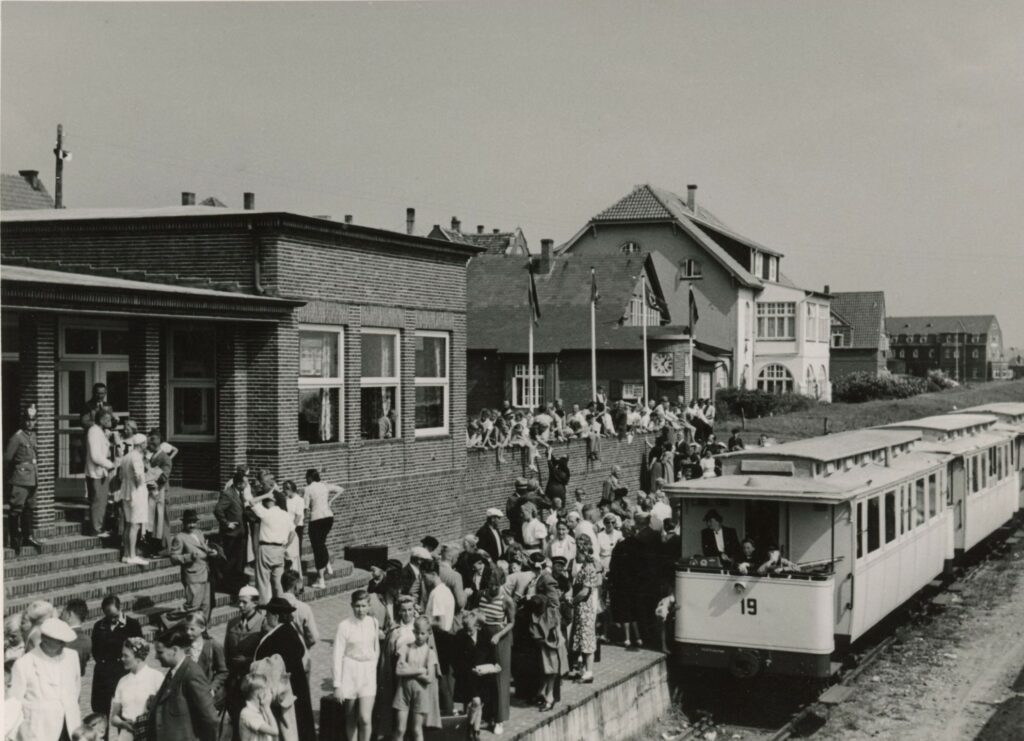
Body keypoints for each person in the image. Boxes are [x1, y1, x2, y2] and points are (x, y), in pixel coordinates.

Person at [8, 617, 82, 741]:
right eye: (59, 642)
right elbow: (13, 705)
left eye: (64, 642)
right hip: (40, 732)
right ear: (45, 639)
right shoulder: (24, 664)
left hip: (70, 729)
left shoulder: (71, 657)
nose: (63, 645)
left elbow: (76, 690)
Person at [253, 597, 314, 741]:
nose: (266, 617)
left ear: (275, 616)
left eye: (268, 614)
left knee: (287, 728)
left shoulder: (276, 638)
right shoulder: (289, 631)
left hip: (282, 693)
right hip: (296, 687)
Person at [148, 623, 220, 741]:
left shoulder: (192, 674)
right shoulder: (174, 671)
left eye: (160, 652)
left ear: (175, 650)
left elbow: (210, 719)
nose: (156, 657)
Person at [333, 590, 381, 741]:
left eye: (364, 606)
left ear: (369, 606)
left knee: (365, 718)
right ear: (352, 606)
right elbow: (337, 655)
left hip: (368, 672)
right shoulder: (344, 626)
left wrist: (373, 666)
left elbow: (376, 647)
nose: (360, 610)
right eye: (357, 606)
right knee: (351, 716)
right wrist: (337, 685)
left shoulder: (373, 622)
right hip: (350, 671)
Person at [223, 586, 265, 740]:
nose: (240, 605)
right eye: (239, 602)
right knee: (235, 719)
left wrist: (248, 661)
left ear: (255, 603)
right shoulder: (232, 623)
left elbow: (264, 655)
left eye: (244, 602)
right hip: (234, 681)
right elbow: (227, 651)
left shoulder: (262, 624)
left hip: (253, 682)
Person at [452, 611, 500, 741]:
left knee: (479, 704)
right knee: (476, 702)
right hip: (468, 677)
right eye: (466, 629)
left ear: (478, 626)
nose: (468, 633)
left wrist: (494, 665)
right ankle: (471, 728)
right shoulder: (460, 637)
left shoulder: (485, 636)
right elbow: (457, 661)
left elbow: (491, 655)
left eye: (470, 630)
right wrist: (470, 670)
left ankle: (475, 730)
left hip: (483, 676)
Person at [91, 595, 143, 717]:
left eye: (114, 616)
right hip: (103, 676)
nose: (112, 620)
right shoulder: (99, 626)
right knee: (100, 713)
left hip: (123, 673)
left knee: (124, 713)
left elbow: (140, 651)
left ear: (120, 608)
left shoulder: (132, 625)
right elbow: (95, 650)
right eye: (108, 616)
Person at [392, 616, 441, 741]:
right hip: (403, 692)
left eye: (423, 633)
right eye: (417, 633)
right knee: (400, 729)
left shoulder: (430, 653)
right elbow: (398, 670)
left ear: (428, 634)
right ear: (413, 632)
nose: (419, 636)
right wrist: (419, 670)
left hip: (421, 694)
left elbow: (429, 678)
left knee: (417, 730)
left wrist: (407, 670)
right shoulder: (406, 648)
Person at [109, 637, 165, 741]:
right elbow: (113, 718)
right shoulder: (122, 681)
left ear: (138, 657)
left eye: (126, 656)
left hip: (150, 735)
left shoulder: (156, 677)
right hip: (127, 736)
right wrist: (123, 723)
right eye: (122, 655)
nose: (122, 658)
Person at [4, 408, 42, 554]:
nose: (30, 423)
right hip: (20, 478)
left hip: (33, 477)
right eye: (27, 420)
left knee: (29, 508)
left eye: (33, 420)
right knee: (16, 509)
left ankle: (27, 536)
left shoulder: (33, 436)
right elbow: (8, 458)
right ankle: (14, 539)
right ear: (22, 420)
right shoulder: (17, 437)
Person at [422, 559, 457, 715]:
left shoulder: (437, 593)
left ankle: (447, 710)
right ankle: (447, 708)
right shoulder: (445, 590)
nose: (424, 579)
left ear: (433, 574)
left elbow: (440, 622)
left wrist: (424, 619)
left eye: (425, 576)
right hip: (446, 637)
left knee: (441, 675)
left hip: (440, 638)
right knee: (445, 675)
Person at [248, 490, 294, 604]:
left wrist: (266, 494)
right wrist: (286, 546)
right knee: (278, 583)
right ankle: (279, 607)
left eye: (268, 499)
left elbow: (251, 501)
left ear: (273, 500)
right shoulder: (286, 515)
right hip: (279, 550)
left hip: (266, 549)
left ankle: (263, 607)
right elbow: (293, 533)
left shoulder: (266, 513)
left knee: (262, 581)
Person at [169, 510, 214, 621]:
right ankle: (167, 619)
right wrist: (189, 557)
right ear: (184, 523)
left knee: (205, 605)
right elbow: (173, 558)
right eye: (189, 522)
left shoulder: (199, 533)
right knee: (192, 606)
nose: (192, 525)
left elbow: (204, 547)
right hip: (192, 575)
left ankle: (203, 630)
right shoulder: (179, 537)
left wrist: (211, 551)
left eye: (194, 522)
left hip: (205, 572)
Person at [569, 534, 602, 683]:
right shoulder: (585, 566)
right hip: (581, 608)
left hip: (585, 607)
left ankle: (589, 672)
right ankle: (583, 669)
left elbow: (585, 591)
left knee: (587, 637)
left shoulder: (588, 568)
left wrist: (572, 601)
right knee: (581, 636)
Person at [303, 469, 343, 589]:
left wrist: (302, 520)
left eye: (306, 477)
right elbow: (341, 489)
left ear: (310, 477)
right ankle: (327, 564)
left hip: (316, 519)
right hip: (329, 518)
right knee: (321, 543)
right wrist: (330, 501)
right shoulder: (325, 485)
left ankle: (321, 580)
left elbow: (306, 507)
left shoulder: (308, 488)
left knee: (317, 548)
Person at [180, 613, 228, 713]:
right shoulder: (183, 647)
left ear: (202, 628)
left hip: (206, 696)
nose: (188, 632)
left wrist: (213, 688)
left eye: (192, 629)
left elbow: (223, 672)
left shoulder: (213, 646)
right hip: (187, 695)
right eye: (186, 629)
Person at [215, 468, 250, 597]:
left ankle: (236, 586)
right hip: (232, 534)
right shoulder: (228, 494)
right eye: (245, 482)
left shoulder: (239, 494)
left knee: (238, 562)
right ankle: (228, 586)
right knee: (231, 561)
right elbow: (218, 510)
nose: (246, 485)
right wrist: (226, 523)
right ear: (239, 483)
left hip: (240, 534)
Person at [609, 522, 644, 648]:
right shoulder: (640, 545)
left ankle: (627, 639)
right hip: (637, 584)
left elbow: (613, 566)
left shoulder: (620, 546)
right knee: (635, 610)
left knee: (625, 610)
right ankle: (639, 638)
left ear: (625, 531)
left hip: (622, 583)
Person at [144, 429, 177, 556]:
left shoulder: (165, 458)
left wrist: (150, 471)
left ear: (158, 440)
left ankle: (165, 547)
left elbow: (164, 477)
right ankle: (155, 546)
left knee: (162, 520)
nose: (149, 443)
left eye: (152, 439)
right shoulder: (152, 456)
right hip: (152, 493)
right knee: (153, 520)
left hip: (161, 493)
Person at [85, 408, 117, 538]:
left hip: (101, 471)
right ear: (101, 420)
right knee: (98, 500)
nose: (110, 422)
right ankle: (96, 529)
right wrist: (110, 465)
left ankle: (99, 526)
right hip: (96, 472)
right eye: (108, 419)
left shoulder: (100, 431)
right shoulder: (93, 432)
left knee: (102, 500)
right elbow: (95, 456)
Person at [280, 570, 319, 650]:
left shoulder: (273, 604)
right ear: (296, 586)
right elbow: (314, 637)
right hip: (298, 652)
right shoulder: (304, 608)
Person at [237, 673, 279, 741]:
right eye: (266, 689)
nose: (270, 692)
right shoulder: (247, 713)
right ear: (260, 694)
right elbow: (274, 731)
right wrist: (267, 708)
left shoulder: (261, 710)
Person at [60, 599, 92, 676]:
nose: (60, 616)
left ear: (69, 615)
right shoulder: (87, 640)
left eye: (62, 613)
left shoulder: (62, 638)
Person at [281, 480, 305, 575]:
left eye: (285, 489)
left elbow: (298, 516)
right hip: (287, 528)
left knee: (295, 553)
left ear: (291, 489)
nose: (284, 491)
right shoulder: (286, 499)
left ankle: (296, 575)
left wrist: (292, 530)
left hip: (296, 528)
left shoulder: (299, 500)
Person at [437, 545, 468, 613]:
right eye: (456, 557)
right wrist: (466, 594)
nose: (457, 560)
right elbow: (461, 603)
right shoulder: (455, 576)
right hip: (449, 613)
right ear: (450, 557)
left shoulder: (433, 569)